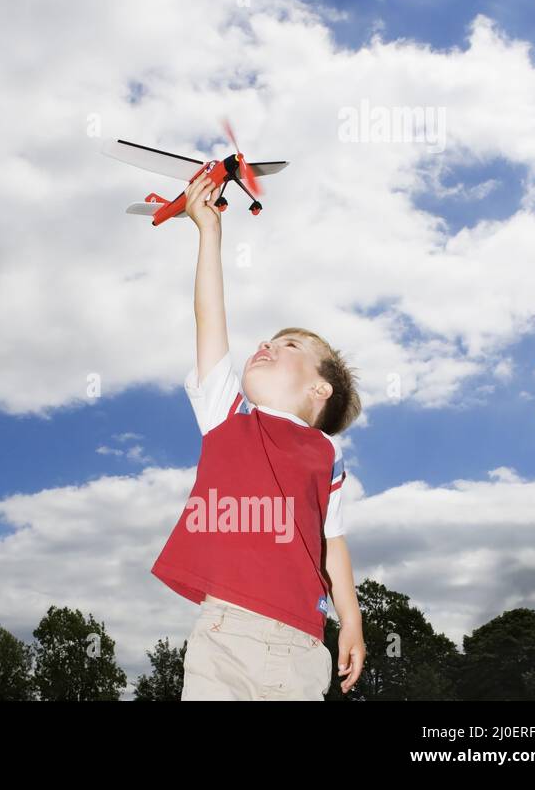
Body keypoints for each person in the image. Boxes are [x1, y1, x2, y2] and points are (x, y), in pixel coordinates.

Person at [152, 171, 365, 699]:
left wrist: (352, 619)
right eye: (270, 338)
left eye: (290, 345)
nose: (268, 343)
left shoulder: (325, 454)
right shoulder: (226, 412)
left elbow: (331, 544)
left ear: (320, 389)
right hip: (219, 631)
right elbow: (208, 317)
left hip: (294, 641)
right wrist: (209, 232)